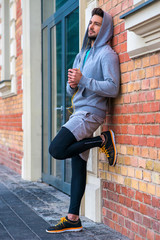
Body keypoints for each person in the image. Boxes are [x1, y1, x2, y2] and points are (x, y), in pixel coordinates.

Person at [46, 7, 120, 234]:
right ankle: (73, 218)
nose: (92, 26)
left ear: (105, 27)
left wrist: (84, 79)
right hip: (79, 111)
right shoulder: (82, 54)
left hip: (90, 114)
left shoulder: (107, 54)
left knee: (57, 149)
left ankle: (102, 141)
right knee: (78, 164)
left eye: (97, 23)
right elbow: (72, 92)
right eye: (91, 23)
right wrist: (72, 84)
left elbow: (113, 87)